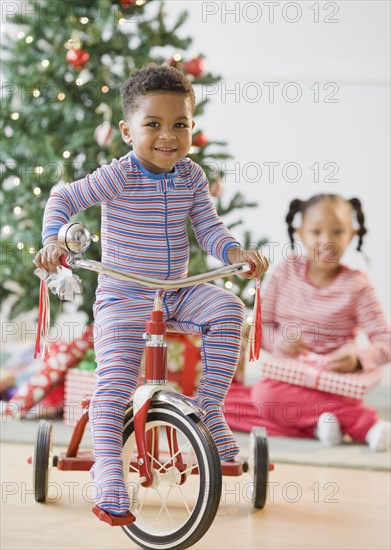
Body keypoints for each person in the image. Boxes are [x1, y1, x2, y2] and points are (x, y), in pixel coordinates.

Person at [33, 64, 269, 516]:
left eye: (180, 124)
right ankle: (107, 471)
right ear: (127, 130)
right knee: (114, 387)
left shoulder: (191, 177)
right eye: (154, 124)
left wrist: (235, 253)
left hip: (175, 291)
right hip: (125, 297)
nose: (169, 135)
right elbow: (63, 197)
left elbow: (208, 228)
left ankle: (209, 405)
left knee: (227, 307)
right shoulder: (118, 176)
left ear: (192, 127)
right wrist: (52, 240)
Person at [226, 194, 390, 452]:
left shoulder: (357, 285)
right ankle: (319, 424)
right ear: (300, 233)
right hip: (288, 379)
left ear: (352, 234)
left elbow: (385, 342)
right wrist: (279, 341)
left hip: (334, 383)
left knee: (263, 397)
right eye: (316, 232)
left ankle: (363, 423)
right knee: (227, 401)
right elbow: (261, 327)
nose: (327, 241)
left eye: (338, 232)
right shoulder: (285, 272)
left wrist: (357, 359)